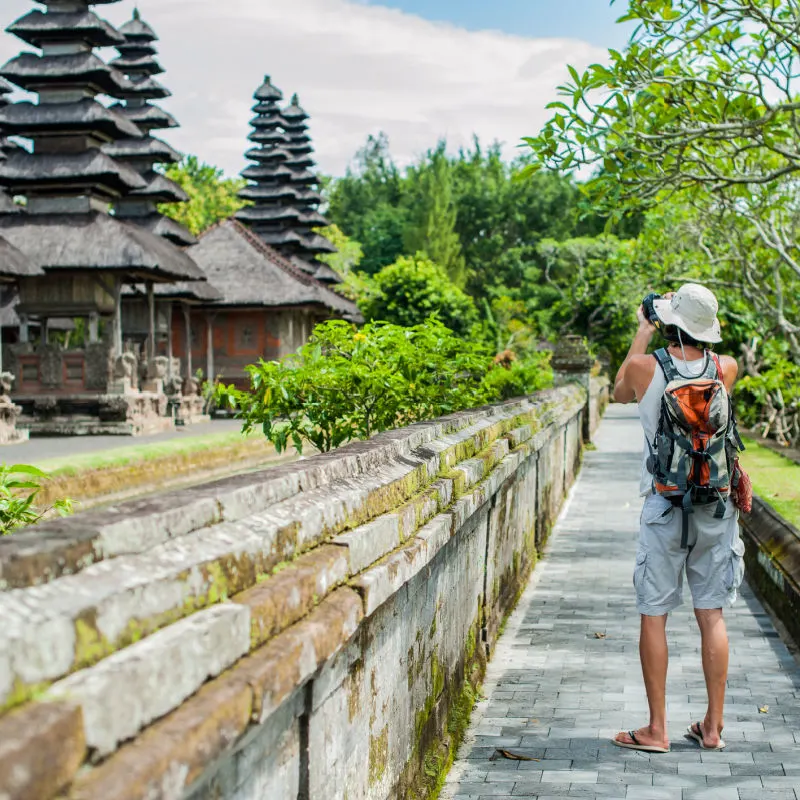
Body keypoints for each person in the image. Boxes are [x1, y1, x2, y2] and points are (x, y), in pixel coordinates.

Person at [610, 283, 745, 753]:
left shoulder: (645, 369)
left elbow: (617, 392)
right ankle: (712, 728)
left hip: (664, 507)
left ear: (670, 321)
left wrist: (644, 328)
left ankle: (656, 730)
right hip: (714, 507)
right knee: (712, 614)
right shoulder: (725, 368)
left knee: (654, 616)